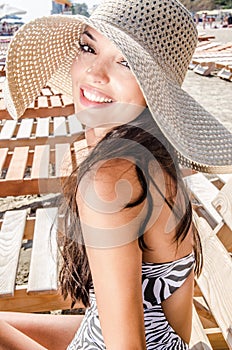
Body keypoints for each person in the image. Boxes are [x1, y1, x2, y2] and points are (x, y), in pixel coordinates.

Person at [1, 0, 232, 349]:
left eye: (126, 62)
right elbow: (169, 326)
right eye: (88, 47)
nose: (94, 73)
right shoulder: (151, 160)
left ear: (156, 92)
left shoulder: (109, 180)